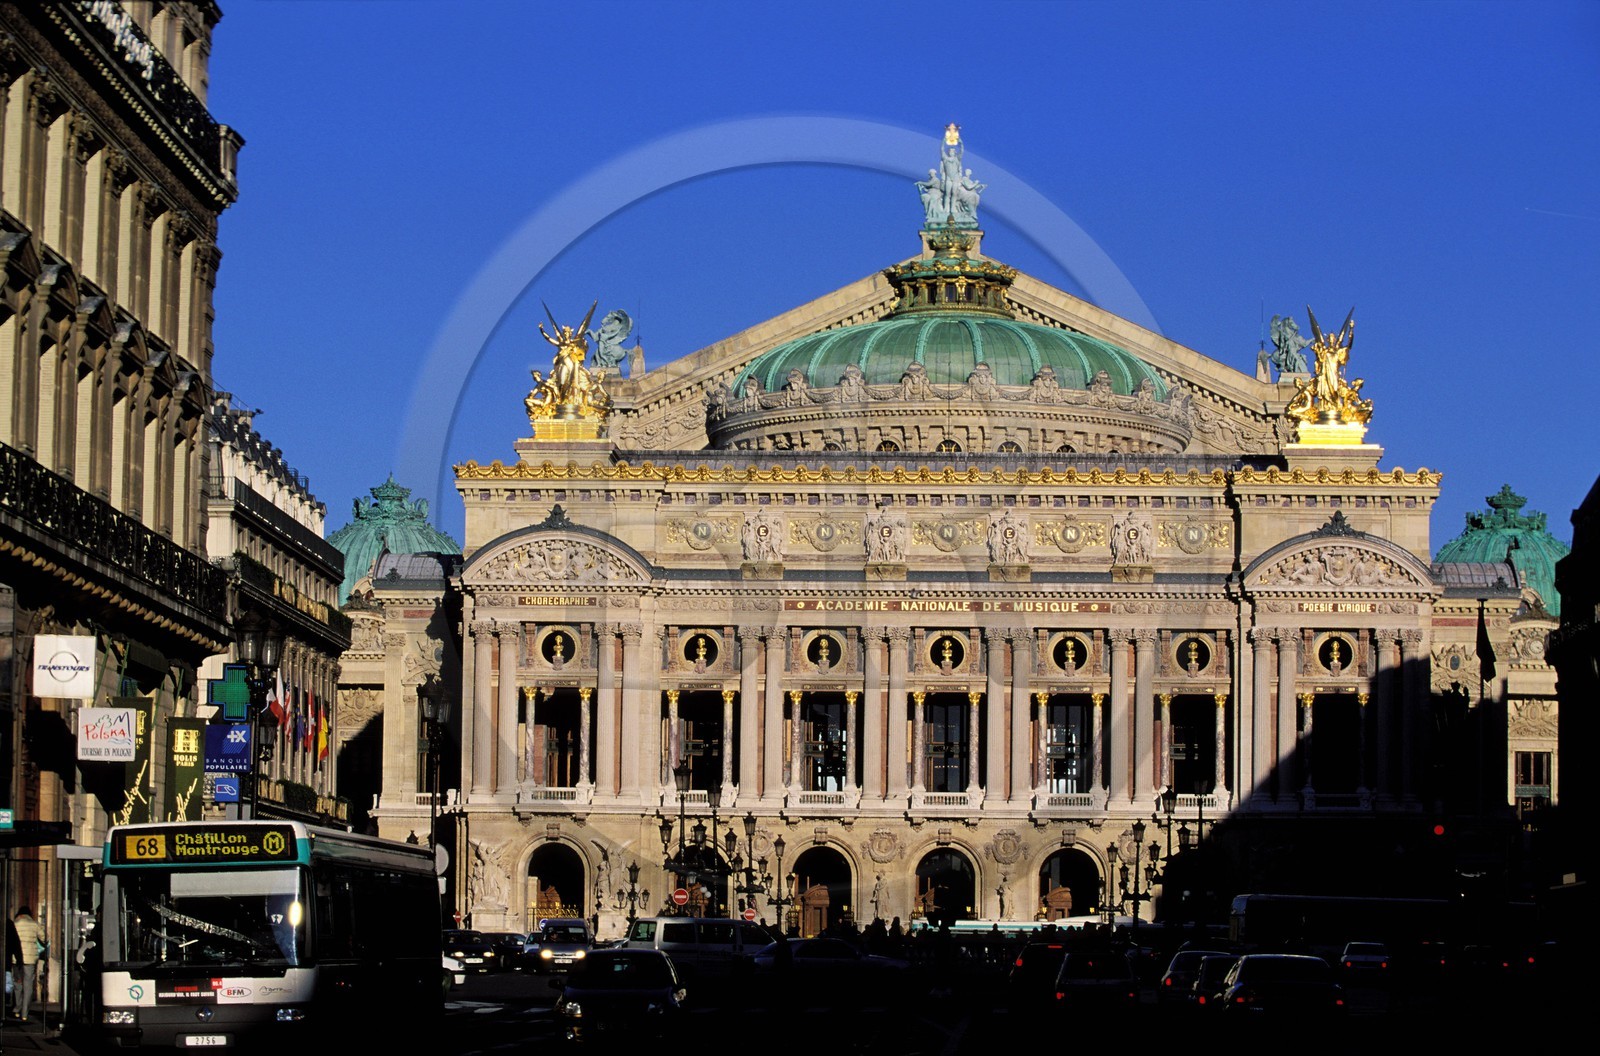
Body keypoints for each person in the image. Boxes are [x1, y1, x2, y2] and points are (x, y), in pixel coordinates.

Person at [12, 907, 43, 1022]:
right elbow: (45, 937)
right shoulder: (34, 924)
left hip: (16, 959)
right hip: (30, 958)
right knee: (28, 985)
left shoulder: (15, 923)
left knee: (17, 983)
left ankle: (17, 1008)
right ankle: (24, 1013)